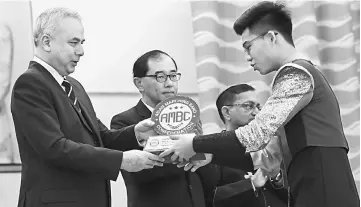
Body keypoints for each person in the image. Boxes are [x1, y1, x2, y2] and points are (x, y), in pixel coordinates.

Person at [159, 1, 360, 207]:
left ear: (272, 37)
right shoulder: (297, 76)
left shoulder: (296, 72)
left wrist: (194, 143)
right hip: (315, 188)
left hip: (324, 189)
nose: (248, 57)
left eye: (249, 46)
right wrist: (211, 154)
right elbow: (268, 159)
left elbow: (256, 134)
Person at [11, 8, 164, 207]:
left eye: (81, 43)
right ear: (46, 42)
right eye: (73, 43)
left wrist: (135, 133)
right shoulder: (30, 83)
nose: (81, 51)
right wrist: (120, 160)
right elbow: (55, 148)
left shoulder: (73, 85)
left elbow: (100, 137)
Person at [110, 50, 211, 207]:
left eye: (173, 75)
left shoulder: (188, 116)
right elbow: (137, 173)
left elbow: (199, 167)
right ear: (139, 83)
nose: (169, 83)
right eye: (160, 77)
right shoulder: (124, 122)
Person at [209, 84, 287, 207]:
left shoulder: (272, 146)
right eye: (248, 106)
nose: (256, 113)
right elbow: (208, 198)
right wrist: (250, 184)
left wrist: (276, 178)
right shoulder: (212, 151)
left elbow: (298, 194)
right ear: (227, 112)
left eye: (258, 107)